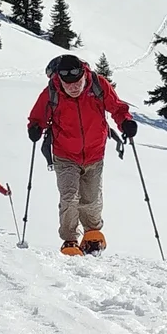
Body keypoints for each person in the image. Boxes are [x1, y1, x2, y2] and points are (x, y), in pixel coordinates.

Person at [27, 54, 136, 255]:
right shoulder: (52, 92)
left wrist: (126, 122)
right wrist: (35, 127)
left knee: (91, 198)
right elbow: (37, 116)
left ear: (84, 75)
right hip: (64, 154)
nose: (74, 88)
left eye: (77, 83)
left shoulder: (97, 84)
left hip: (95, 152)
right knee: (69, 197)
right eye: (68, 85)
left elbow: (117, 107)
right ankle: (70, 239)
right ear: (59, 79)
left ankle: (92, 234)